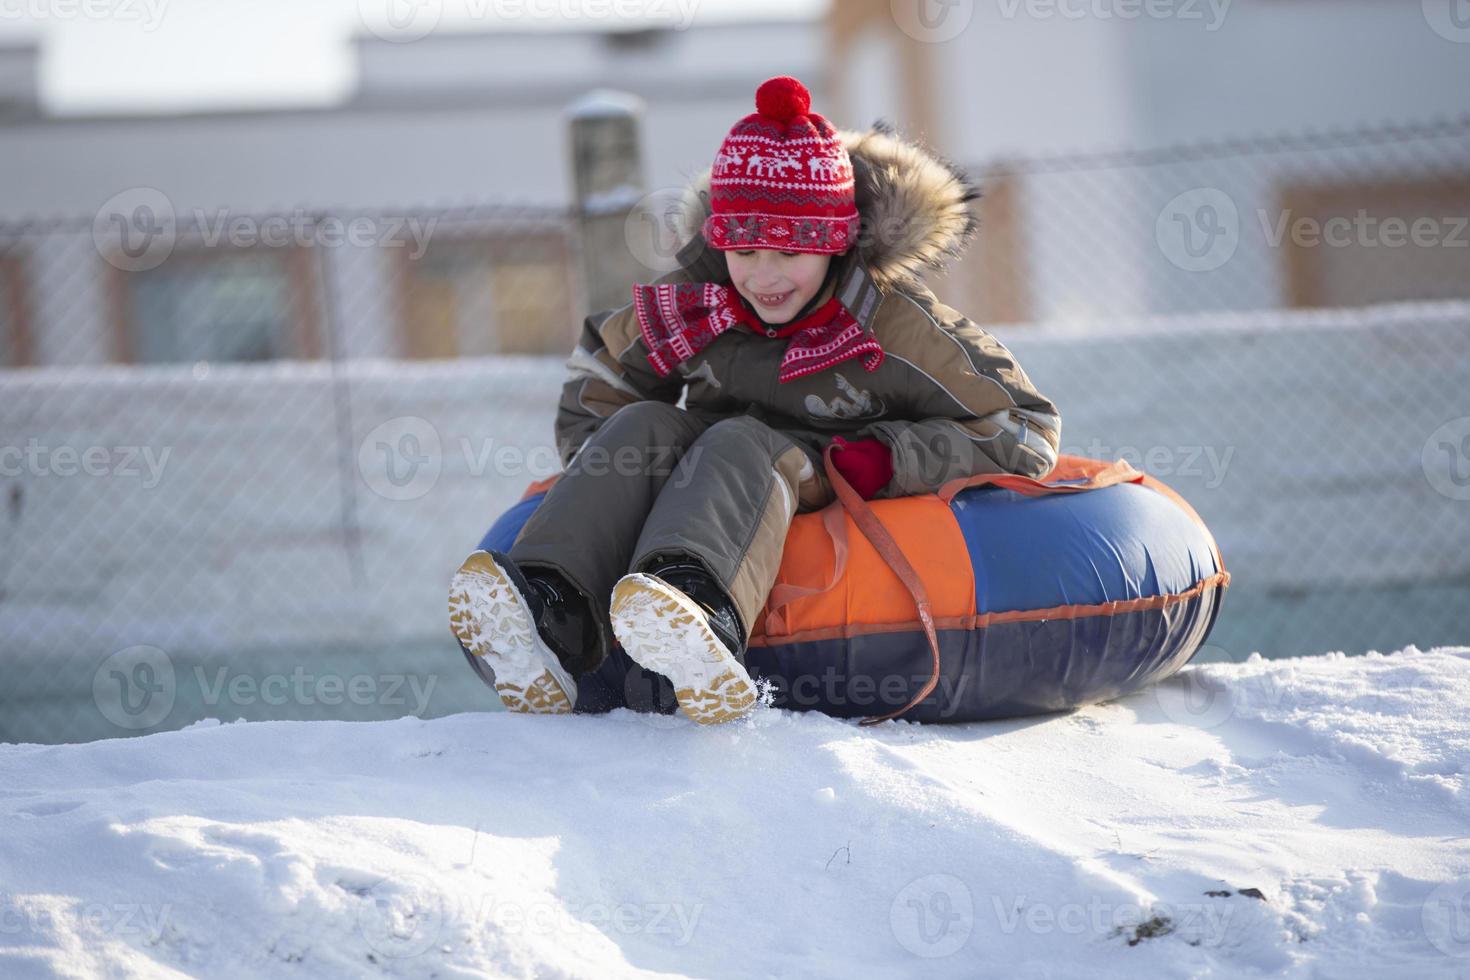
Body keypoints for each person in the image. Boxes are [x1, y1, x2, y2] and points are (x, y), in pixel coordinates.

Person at [448, 75, 1061, 725]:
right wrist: (623, 488)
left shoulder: (895, 324)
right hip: (707, 459)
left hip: (827, 462)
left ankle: (698, 615)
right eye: (744, 249)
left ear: (832, 245)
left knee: (740, 442)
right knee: (642, 424)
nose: (764, 276)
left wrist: (891, 458)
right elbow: (602, 377)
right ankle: (550, 612)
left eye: (790, 252)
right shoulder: (696, 296)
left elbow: (1024, 426)